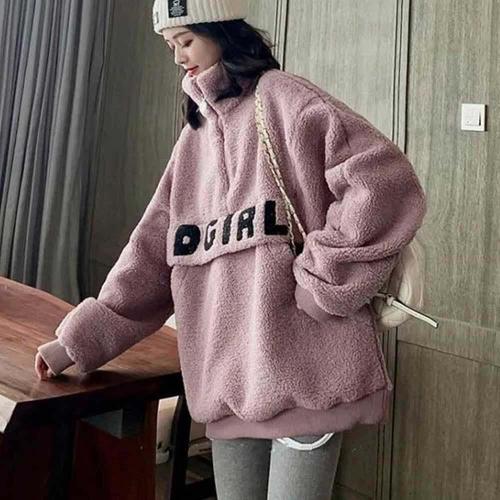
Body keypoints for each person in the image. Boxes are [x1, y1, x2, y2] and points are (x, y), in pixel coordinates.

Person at [35, 0, 427, 498]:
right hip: (228, 386)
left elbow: (383, 179)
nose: (178, 57)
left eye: (186, 41)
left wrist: (323, 281)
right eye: (170, 45)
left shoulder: (283, 98)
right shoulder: (194, 140)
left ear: (221, 30)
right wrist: (76, 343)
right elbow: (151, 255)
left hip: (307, 373)